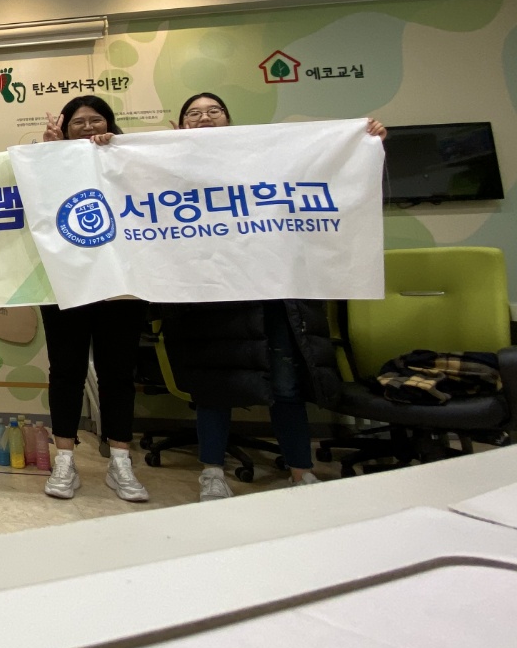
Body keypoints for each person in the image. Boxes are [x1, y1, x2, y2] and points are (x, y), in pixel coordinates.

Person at [162, 93, 386, 501]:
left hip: (275, 295)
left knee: (286, 386)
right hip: (211, 298)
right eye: (193, 113)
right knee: (214, 388)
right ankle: (212, 471)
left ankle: (301, 471)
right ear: (180, 126)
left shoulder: (267, 157)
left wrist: (364, 144)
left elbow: (336, 182)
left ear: (230, 120)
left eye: (213, 111)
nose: (204, 117)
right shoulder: (168, 166)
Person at [37, 96, 149, 502]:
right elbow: (36, 204)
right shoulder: (48, 161)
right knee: (65, 373)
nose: (87, 127)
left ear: (110, 124)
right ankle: (64, 459)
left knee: (117, 374)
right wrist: (52, 154)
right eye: (78, 122)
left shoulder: (128, 159)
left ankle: (120, 461)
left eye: (95, 120)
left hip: (120, 285)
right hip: (65, 283)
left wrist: (119, 153)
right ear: (65, 129)